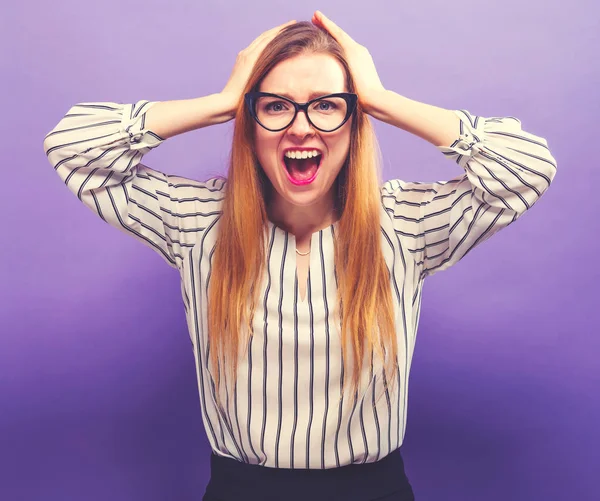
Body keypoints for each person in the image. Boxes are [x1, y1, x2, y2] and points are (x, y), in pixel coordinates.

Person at [42, 11, 557, 501]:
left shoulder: (402, 223)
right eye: (275, 105)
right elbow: (72, 148)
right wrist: (222, 102)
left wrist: (380, 98)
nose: (302, 127)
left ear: (356, 123)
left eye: (328, 105)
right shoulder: (200, 221)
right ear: (251, 122)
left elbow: (527, 168)